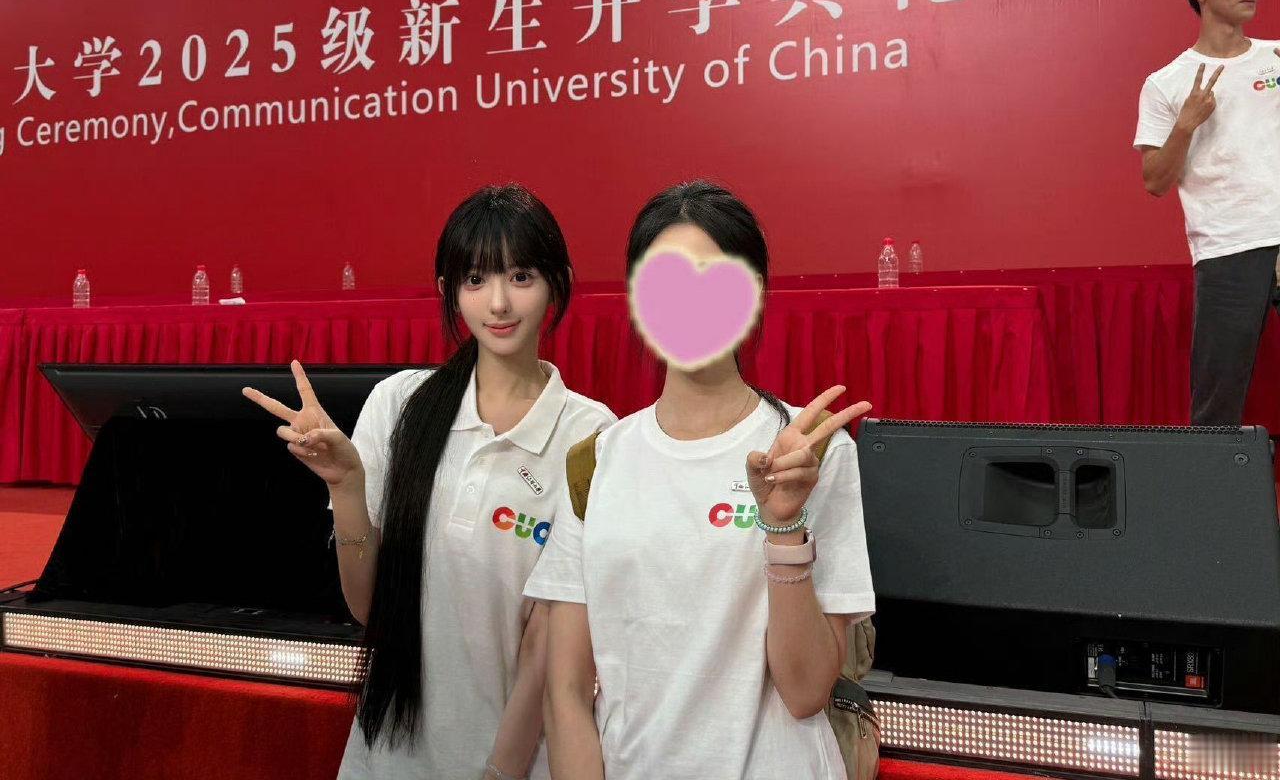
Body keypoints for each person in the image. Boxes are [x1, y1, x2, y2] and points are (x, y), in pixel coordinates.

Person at [243, 185, 615, 780]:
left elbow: (548, 645)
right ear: (449, 291)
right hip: (389, 757)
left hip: (517, 760)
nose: (498, 303)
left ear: (558, 283)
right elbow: (370, 608)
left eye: (521, 276)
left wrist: (499, 771)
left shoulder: (590, 434)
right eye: (476, 280)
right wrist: (346, 487)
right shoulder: (399, 404)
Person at [526, 180, 876, 779]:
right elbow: (566, 694)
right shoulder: (596, 461)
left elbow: (805, 691)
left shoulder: (811, 453)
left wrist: (784, 524)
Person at [1136, 0, 1280, 425]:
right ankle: (1210, 478)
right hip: (1228, 246)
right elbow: (1155, 180)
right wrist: (1186, 125)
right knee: (1217, 400)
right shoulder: (1167, 83)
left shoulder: (1276, 58)